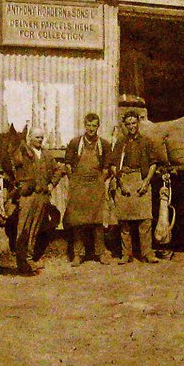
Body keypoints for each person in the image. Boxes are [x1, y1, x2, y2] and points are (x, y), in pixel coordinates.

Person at [109, 111, 161, 264]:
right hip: (125, 179)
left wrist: (146, 182)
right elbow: (113, 165)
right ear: (125, 126)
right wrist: (121, 183)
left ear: (138, 123)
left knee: (145, 219)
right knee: (124, 221)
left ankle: (147, 253)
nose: (131, 126)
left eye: (134, 123)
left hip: (141, 178)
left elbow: (153, 164)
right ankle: (126, 254)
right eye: (128, 124)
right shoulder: (120, 143)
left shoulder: (146, 141)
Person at [63, 113, 114, 266]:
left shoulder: (104, 144)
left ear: (98, 127)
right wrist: (74, 181)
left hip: (95, 185)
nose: (91, 129)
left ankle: (101, 253)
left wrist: (100, 181)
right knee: (77, 221)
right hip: (78, 185)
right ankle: (78, 254)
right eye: (88, 126)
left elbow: (106, 167)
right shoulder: (75, 143)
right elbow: (68, 164)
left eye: (94, 126)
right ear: (84, 126)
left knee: (97, 221)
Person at [14, 127, 63, 274]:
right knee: (23, 228)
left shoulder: (47, 155)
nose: (40, 140)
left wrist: (51, 184)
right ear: (30, 138)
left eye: (41, 138)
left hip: (42, 196)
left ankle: (29, 257)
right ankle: (21, 261)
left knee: (34, 228)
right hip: (27, 197)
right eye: (37, 137)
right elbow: (14, 170)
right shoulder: (23, 154)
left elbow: (58, 170)